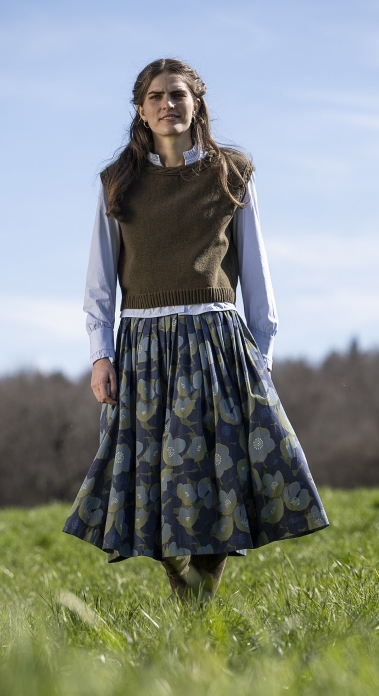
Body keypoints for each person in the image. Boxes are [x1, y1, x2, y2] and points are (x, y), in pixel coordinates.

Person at [63, 57, 329, 602]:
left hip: (217, 345)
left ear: (196, 103)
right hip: (144, 349)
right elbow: (99, 280)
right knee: (157, 483)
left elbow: (256, 274)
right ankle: (185, 595)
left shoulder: (231, 174)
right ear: (140, 110)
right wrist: (100, 353)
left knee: (217, 478)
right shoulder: (118, 183)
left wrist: (261, 356)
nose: (168, 105)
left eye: (178, 94)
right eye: (157, 96)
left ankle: (201, 605)